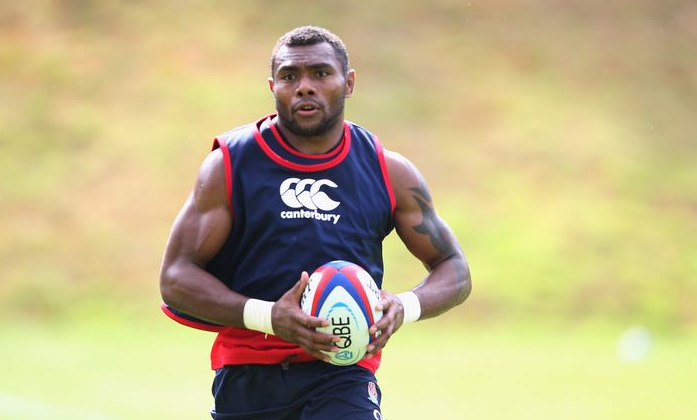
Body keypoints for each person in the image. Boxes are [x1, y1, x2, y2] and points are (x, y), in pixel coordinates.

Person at [159, 25, 471, 420]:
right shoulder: (231, 166)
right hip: (247, 372)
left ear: (349, 82)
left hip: (343, 374)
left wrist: (403, 306)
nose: (304, 87)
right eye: (290, 76)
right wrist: (268, 317)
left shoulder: (387, 171)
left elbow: (455, 270)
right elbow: (175, 278)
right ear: (273, 86)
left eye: (321, 73)